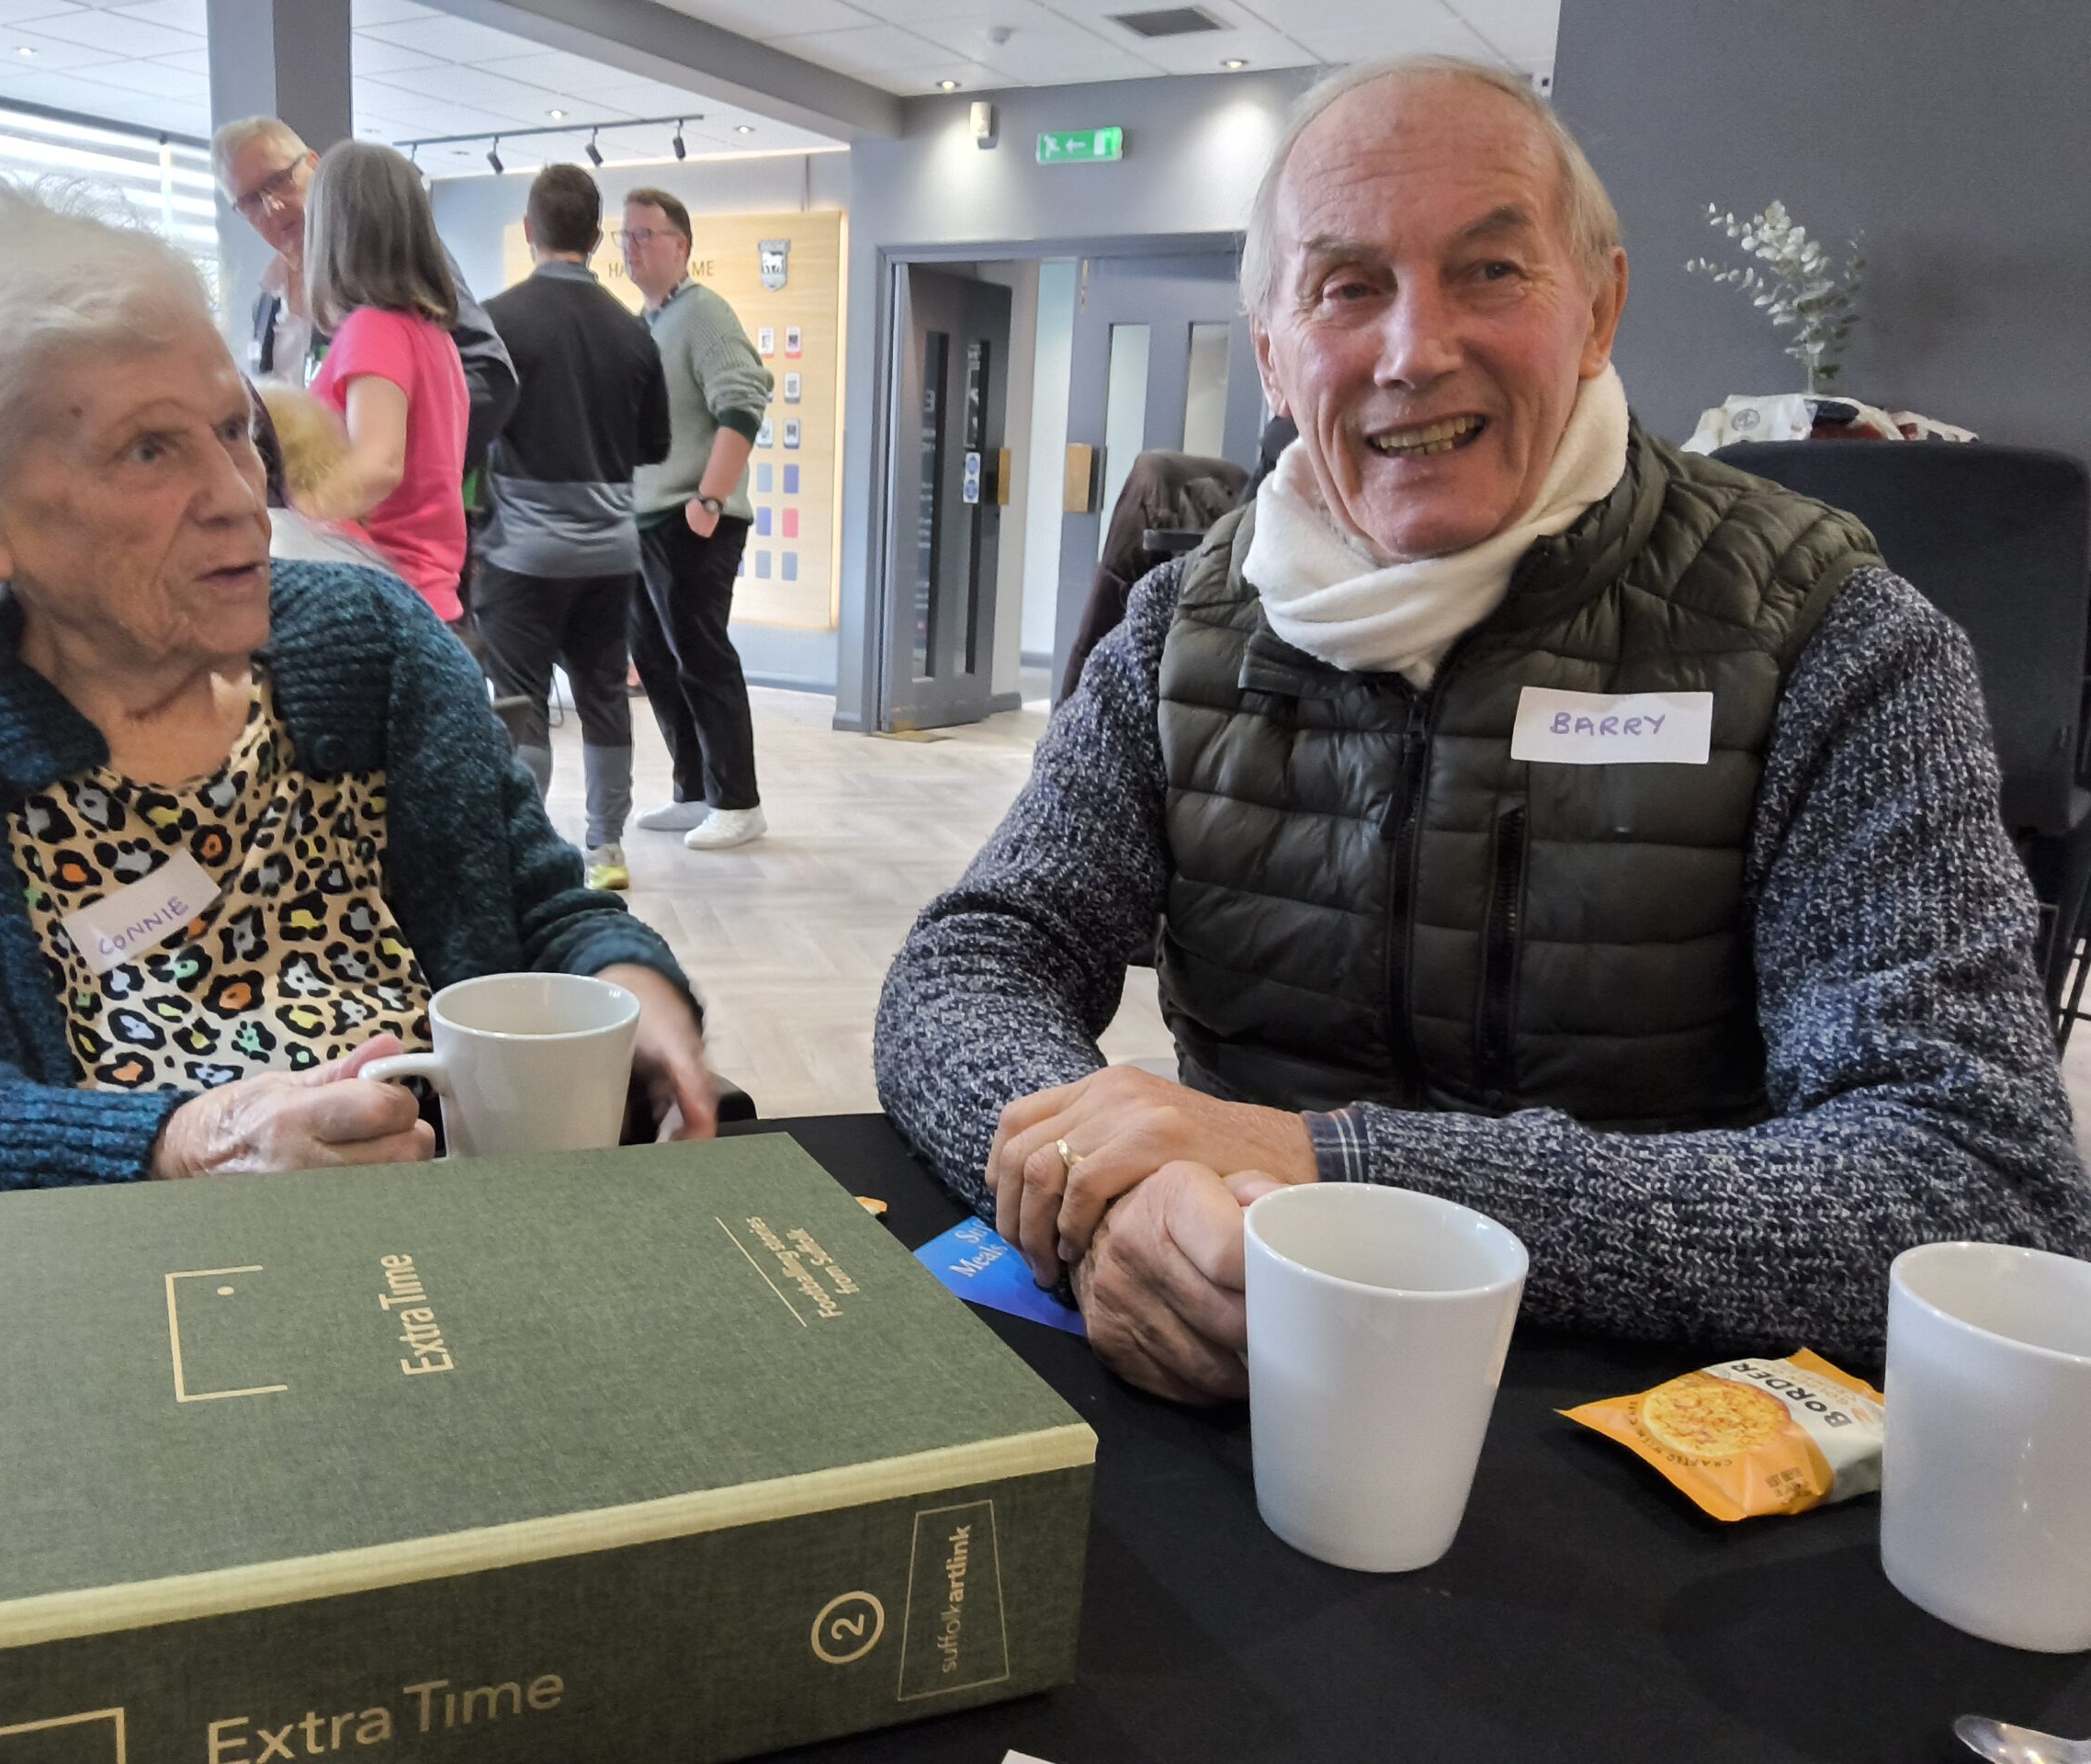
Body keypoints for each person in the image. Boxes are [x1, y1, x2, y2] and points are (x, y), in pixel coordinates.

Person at [874, 55, 2091, 1403]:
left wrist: (1332, 1171)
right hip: (1244, 1377)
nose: (1414, 350)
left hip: (1643, 1439)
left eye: (1491, 272)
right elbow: (972, 963)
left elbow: (1972, 1183)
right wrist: (1111, 1187)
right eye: (1348, 288)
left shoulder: (1829, 636)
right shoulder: (1180, 629)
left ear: (1600, 310)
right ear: (1276, 353)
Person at [0, 175, 716, 1206]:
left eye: (232, 429)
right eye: (149, 449)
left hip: (458, 1251)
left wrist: (629, 983)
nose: (239, 496)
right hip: (110, 1308)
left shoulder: (371, 646)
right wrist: (185, 1143)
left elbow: (544, 912)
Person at [477, 164, 670, 893]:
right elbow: (653, 447)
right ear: (597, 239)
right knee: (601, 694)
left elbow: (475, 429)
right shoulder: (634, 332)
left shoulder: (498, 320)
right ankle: (606, 850)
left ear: (530, 231)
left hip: (522, 553)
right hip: (611, 550)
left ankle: (529, 850)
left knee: (519, 696)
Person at [210, 118, 515, 473]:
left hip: (382, 507)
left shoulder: (389, 259)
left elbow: (489, 372)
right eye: (249, 201)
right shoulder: (266, 300)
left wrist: (398, 459)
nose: (272, 207)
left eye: (279, 181)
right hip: (305, 510)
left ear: (314, 164)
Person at [620, 187, 772, 853]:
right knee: (655, 660)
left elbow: (743, 403)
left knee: (702, 657)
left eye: (647, 234)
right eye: (625, 235)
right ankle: (696, 790)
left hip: (693, 518)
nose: (633, 246)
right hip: (642, 520)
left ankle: (739, 801)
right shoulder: (642, 324)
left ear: (682, 245)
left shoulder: (704, 313)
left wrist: (708, 501)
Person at [296, 140, 471, 625]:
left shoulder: (373, 328)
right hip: (423, 598)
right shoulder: (429, 334)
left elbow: (379, 463)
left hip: (387, 598)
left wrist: (288, 520)